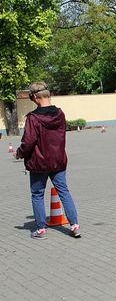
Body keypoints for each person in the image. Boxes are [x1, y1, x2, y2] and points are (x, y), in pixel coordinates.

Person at [15, 82, 81, 240]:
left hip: (39, 163)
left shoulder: (33, 118)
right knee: (64, 191)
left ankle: (40, 229)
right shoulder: (60, 114)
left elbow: (29, 141)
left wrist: (20, 153)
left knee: (37, 194)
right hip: (58, 160)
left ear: (36, 98)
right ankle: (74, 225)